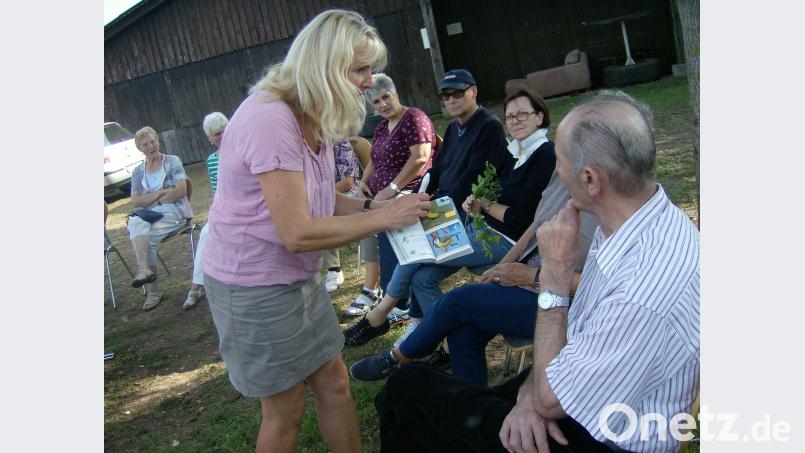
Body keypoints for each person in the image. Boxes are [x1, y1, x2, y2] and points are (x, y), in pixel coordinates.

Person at [372, 91, 700, 453]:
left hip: (601, 438)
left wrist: (554, 278)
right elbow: (571, 352)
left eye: (559, 161)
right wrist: (528, 398)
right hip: (577, 388)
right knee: (420, 396)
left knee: (406, 391)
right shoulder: (645, 221)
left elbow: (553, 398)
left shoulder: (642, 291)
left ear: (590, 179)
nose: (556, 172)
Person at [199, 10, 431, 453]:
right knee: (285, 412)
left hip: (295, 276)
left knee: (334, 383)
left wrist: (372, 204)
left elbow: (320, 199)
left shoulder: (315, 114)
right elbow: (298, 231)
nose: (369, 81)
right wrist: (384, 219)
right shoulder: (271, 119)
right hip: (251, 283)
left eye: (370, 69)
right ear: (326, 66)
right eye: (360, 69)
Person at [344, 88, 557, 351]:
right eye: (510, 117)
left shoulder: (545, 154)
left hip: (508, 242)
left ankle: (380, 314)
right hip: (482, 230)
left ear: (539, 117)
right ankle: (448, 343)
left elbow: (519, 218)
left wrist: (484, 205)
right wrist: (475, 202)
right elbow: (488, 192)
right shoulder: (514, 152)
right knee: (423, 278)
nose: (515, 121)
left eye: (522, 114)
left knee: (418, 253)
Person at [349, 170, 597, 384]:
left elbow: (602, 284)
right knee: (463, 332)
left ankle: (399, 356)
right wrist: (502, 266)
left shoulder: (617, 208)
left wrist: (530, 275)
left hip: (565, 303)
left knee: (458, 301)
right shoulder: (562, 177)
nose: (558, 159)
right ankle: (471, 407)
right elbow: (533, 228)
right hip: (526, 283)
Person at [343, 73, 436, 317]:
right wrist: (364, 181)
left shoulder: (414, 118)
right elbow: (375, 159)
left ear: (395, 94)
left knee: (377, 216)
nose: (383, 105)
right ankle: (374, 288)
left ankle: (397, 299)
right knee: (362, 212)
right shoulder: (383, 126)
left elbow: (420, 157)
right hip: (381, 191)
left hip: (412, 190)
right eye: (376, 102)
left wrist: (391, 189)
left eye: (386, 97)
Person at [127, 126, 193, 311]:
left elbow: (180, 190)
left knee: (145, 238)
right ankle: (144, 269)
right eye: (145, 144)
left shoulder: (172, 161)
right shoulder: (138, 171)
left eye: (153, 141)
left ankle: (153, 290)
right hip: (150, 215)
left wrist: (151, 200)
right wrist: (163, 192)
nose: (151, 146)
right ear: (140, 149)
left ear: (158, 140)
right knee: (135, 221)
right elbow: (135, 200)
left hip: (175, 211)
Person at [183, 111, 228, 310]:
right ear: (210, 138)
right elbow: (216, 190)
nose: (222, 136)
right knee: (206, 232)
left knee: (208, 232)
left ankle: (196, 287)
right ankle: (197, 286)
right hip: (224, 208)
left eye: (224, 130)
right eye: (217, 133)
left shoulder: (243, 150)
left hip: (243, 208)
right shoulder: (211, 161)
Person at [321, 140, 362, 292]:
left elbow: (347, 183)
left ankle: (334, 270)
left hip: (348, 195)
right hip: (325, 196)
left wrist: (321, 195)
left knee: (321, 211)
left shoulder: (340, 144)